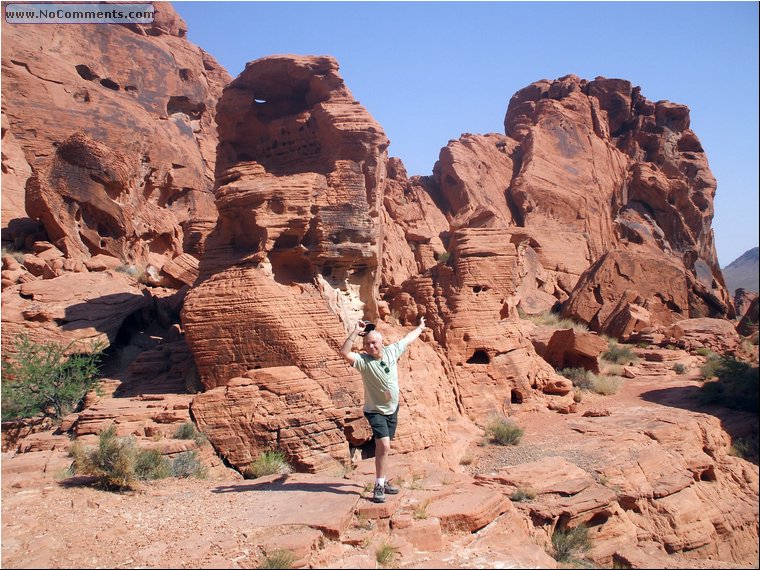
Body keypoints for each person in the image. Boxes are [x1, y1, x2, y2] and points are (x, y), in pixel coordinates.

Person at [339, 315, 426, 503]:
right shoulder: (362, 361)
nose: (371, 346)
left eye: (374, 343)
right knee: (384, 445)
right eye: (368, 344)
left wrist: (420, 327)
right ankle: (378, 486)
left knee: (385, 448)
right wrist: (355, 332)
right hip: (375, 410)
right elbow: (344, 353)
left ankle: (383, 480)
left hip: (392, 409)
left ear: (382, 342)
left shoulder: (392, 351)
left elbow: (408, 339)